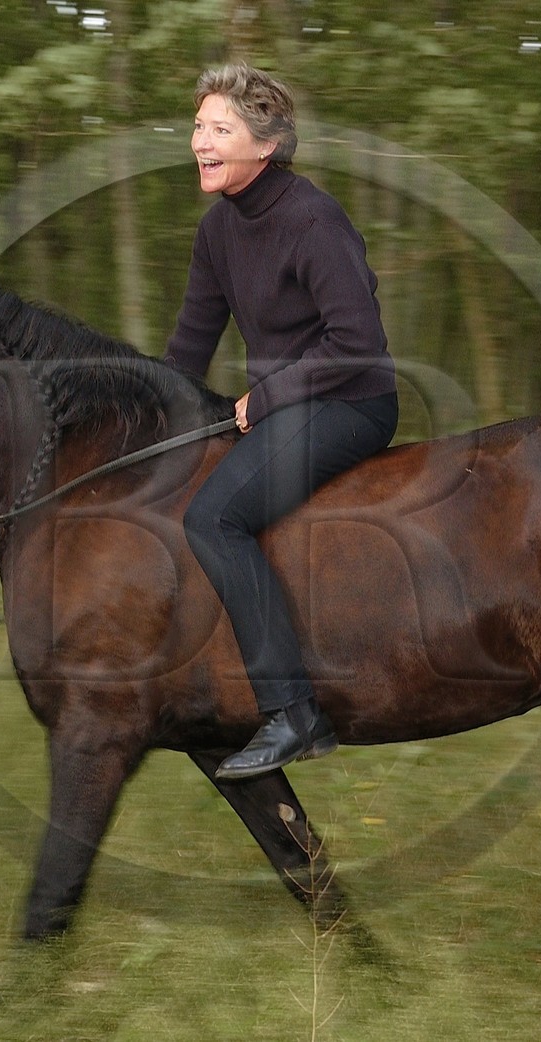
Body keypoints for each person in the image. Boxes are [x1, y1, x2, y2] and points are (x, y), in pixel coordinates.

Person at [164, 64, 399, 781]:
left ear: (265, 145)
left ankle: (294, 713)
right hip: (286, 406)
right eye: (199, 127)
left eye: (220, 129)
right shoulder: (218, 230)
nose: (201, 142)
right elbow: (191, 342)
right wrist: (147, 412)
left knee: (214, 519)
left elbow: (357, 343)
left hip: (351, 404)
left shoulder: (313, 219)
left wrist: (265, 398)